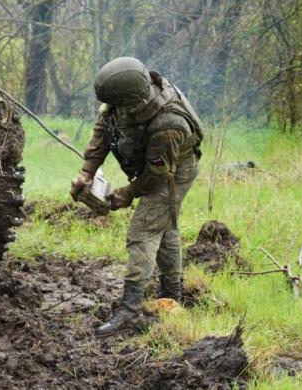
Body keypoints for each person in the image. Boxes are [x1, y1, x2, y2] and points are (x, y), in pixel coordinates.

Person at [70, 57, 203, 336]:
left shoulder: (169, 124)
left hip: (174, 171)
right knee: (164, 229)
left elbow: (156, 177)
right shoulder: (124, 101)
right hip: (156, 165)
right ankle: (171, 295)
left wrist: (126, 194)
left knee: (143, 231)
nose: (113, 109)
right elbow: (104, 129)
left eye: (118, 104)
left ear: (133, 99)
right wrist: (86, 172)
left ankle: (130, 310)